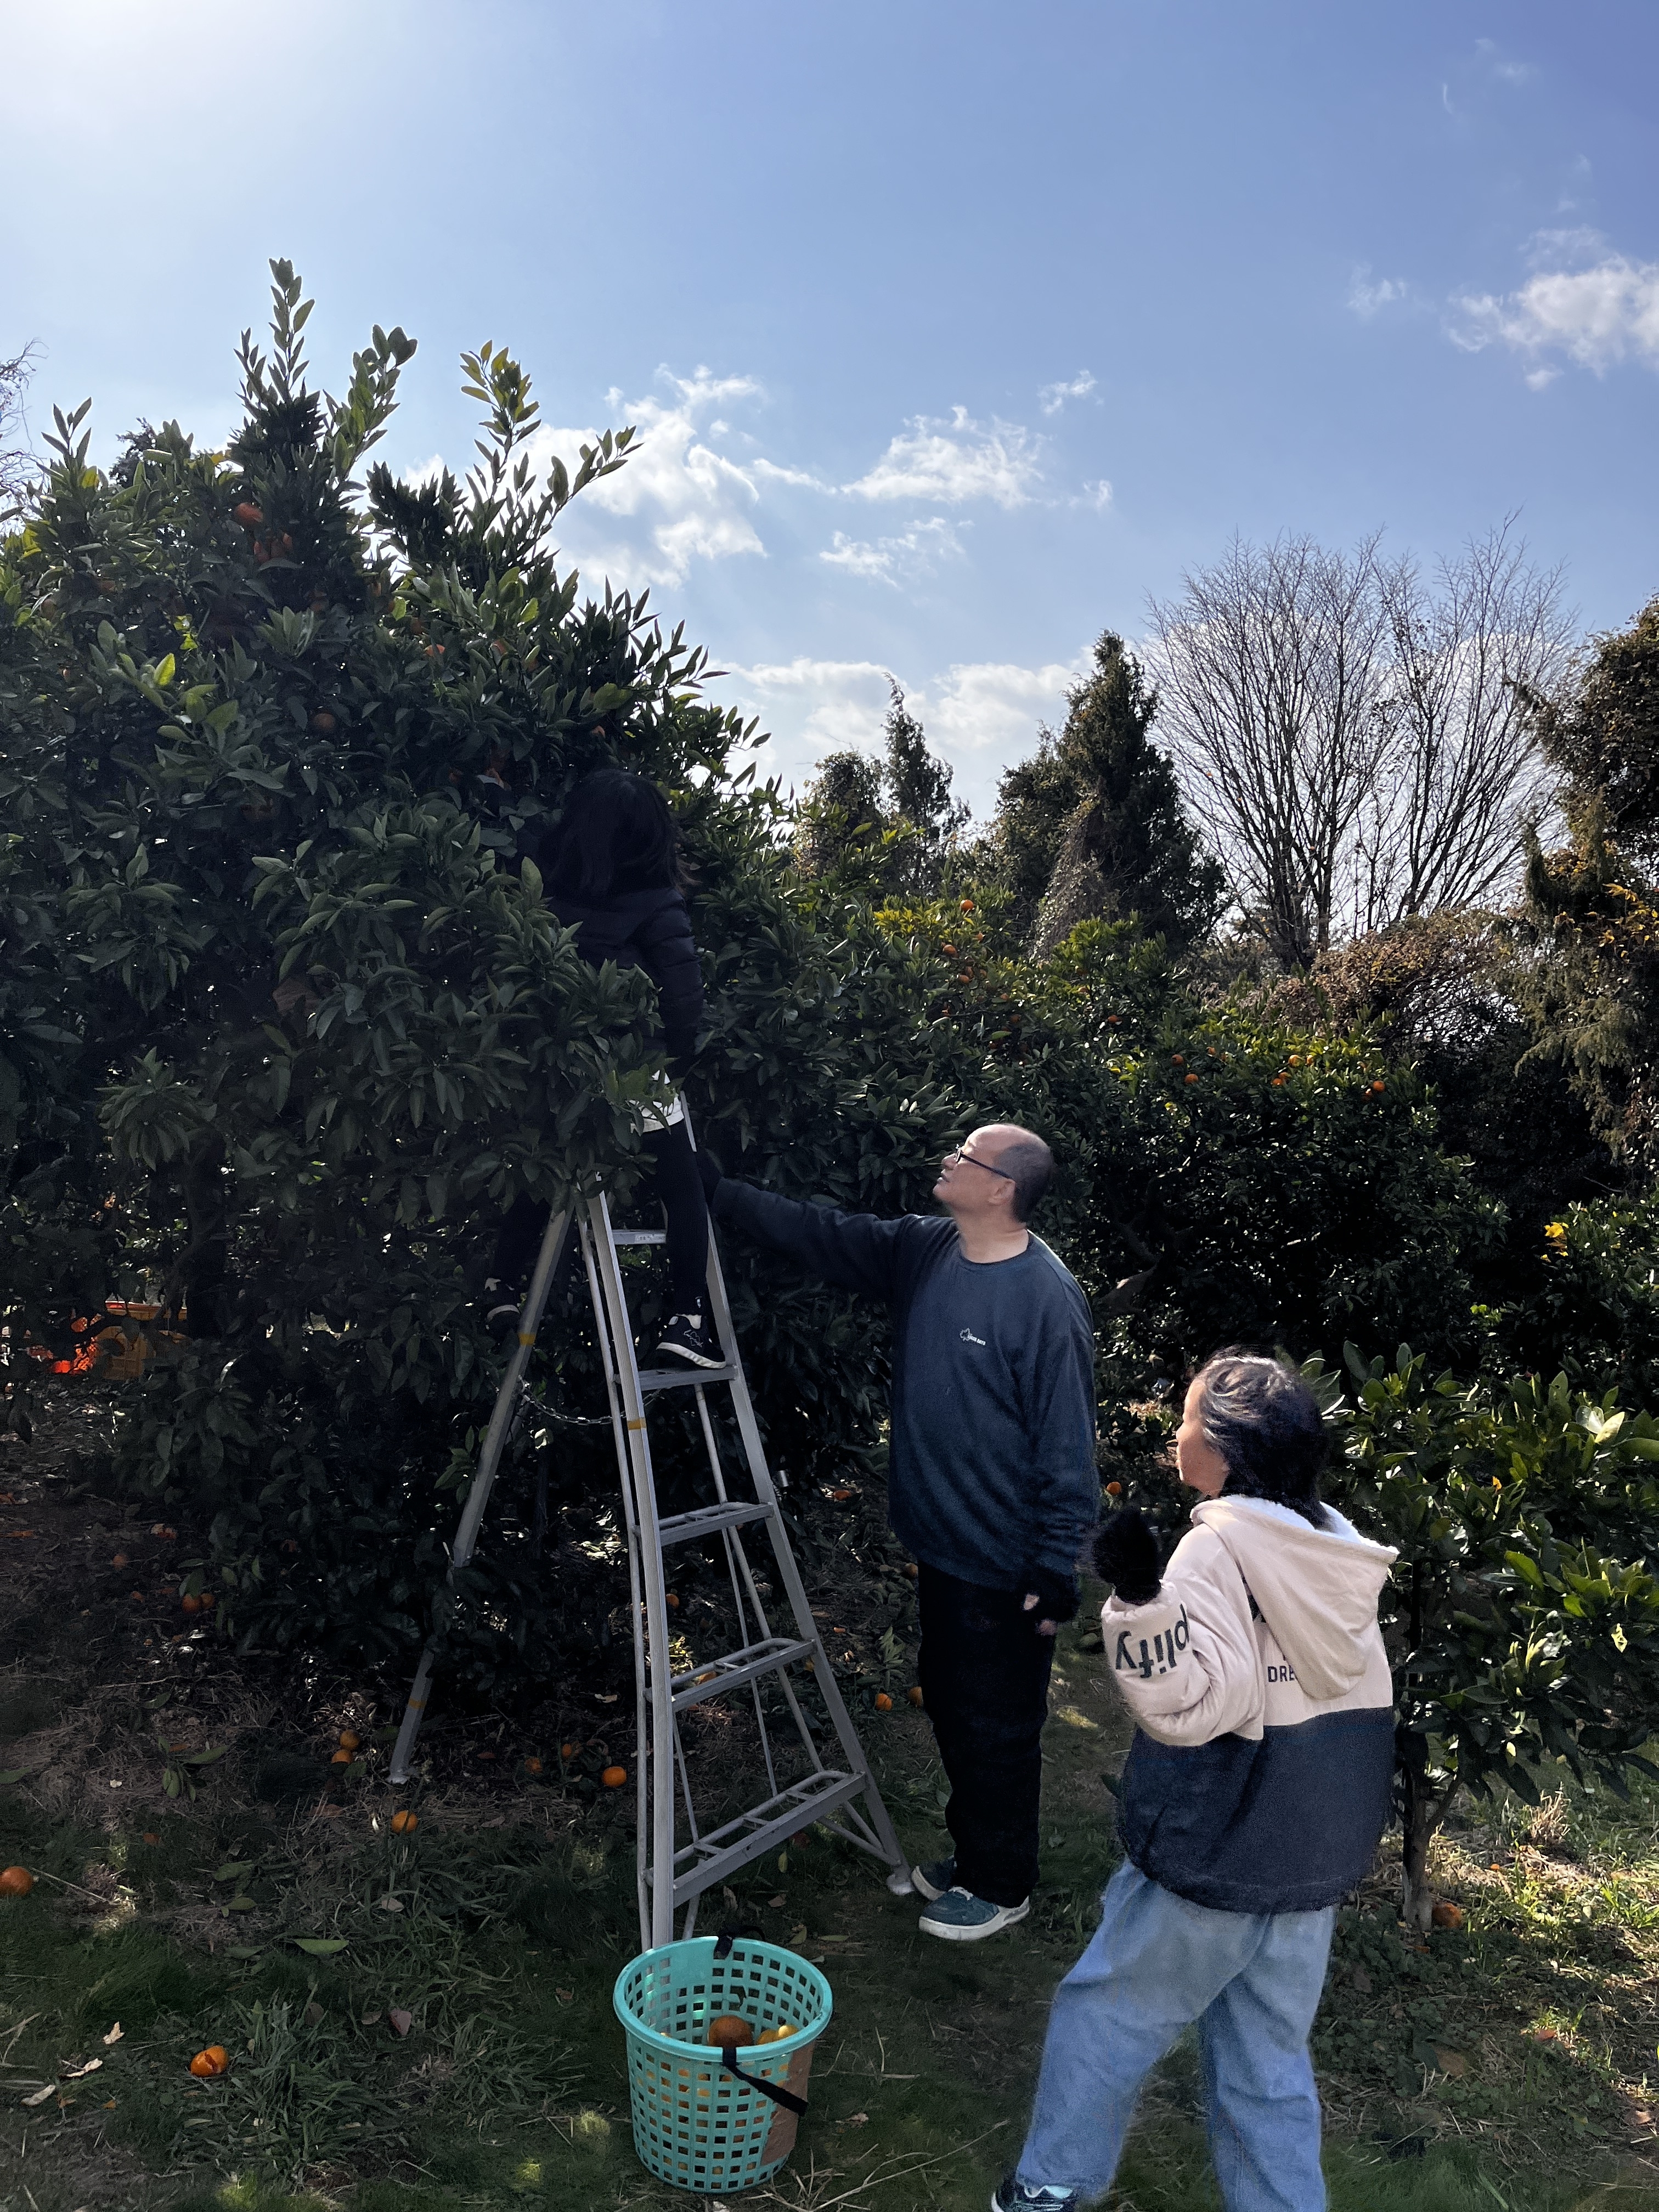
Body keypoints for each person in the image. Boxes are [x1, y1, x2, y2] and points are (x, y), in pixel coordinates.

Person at [994, 1351, 1398, 2212]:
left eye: (1185, 1418)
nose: (1176, 1434)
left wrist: (1141, 1599)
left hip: (1224, 1843)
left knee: (1106, 2017)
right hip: (1310, 1851)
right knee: (1267, 2060)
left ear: (1221, 1445)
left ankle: (1050, 2188)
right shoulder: (1334, 1546)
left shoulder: (1220, 1546)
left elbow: (1190, 1710)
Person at [697, 1123, 1098, 1940]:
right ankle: (977, 1854)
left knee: (999, 1724)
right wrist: (723, 1194)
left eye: (966, 1156)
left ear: (1000, 1189)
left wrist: (1057, 1564)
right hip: (943, 1543)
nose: (947, 1160)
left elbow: (1066, 1442)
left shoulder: (1044, 1298)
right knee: (956, 1708)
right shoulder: (928, 1251)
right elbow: (828, 1236)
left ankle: (1001, 1884)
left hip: (1005, 1558)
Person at [484, 768, 718, 1369]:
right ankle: (686, 1318)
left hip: (557, 1063)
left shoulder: (545, 892)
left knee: (541, 1172)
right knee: (682, 1186)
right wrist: (675, 1062)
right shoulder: (659, 903)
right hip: (631, 1066)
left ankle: (502, 1282)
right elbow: (682, 996)